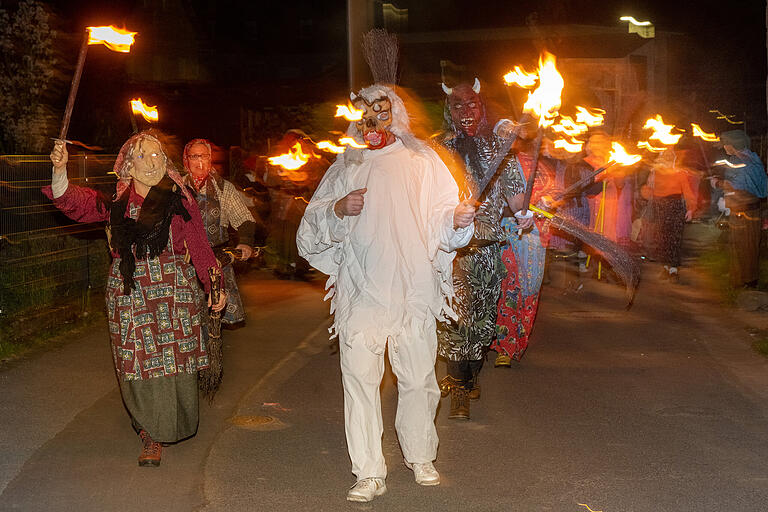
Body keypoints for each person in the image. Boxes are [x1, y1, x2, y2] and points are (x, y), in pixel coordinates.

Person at [297, 82, 476, 502]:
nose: (371, 121)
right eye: (364, 113)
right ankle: (368, 470)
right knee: (359, 379)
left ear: (394, 113)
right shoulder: (349, 163)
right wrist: (340, 208)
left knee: (417, 377)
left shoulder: (421, 159)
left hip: (412, 287)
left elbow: (440, 218)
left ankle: (419, 456)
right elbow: (311, 226)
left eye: (380, 111)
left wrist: (457, 216)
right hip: (361, 290)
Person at [43, 132, 226, 467]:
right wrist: (60, 171)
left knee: (176, 364)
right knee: (139, 363)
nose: (152, 162)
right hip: (131, 294)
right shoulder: (116, 203)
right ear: (128, 165)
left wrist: (215, 284)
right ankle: (149, 434)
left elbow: (199, 245)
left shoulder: (179, 199)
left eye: (157, 156)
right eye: (143, 156)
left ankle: (174, 421)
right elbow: (72, 202)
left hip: (175, 293)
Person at [435, 78, 527, 419]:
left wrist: (523, 213)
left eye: (471, 104)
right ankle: (458, 386)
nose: (466, 112)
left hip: (487, 248)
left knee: (482, 321)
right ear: (449, 111)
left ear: (481, 107)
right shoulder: (437, 149)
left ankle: (469, 374)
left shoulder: (497, 145)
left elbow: (516, 192)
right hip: (450, 249)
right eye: (458, 106)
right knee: (456, 315)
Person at [183, 138, 256, 325]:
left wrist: (245, 241)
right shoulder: (177, 189)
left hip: (217, 262)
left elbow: (245, 219)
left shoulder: (223, 188)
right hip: (185, 264)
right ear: (186, 160)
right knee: (188, 322)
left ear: (210, 160)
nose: (200, 161)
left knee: (214, 323)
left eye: (204, 156)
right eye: (194, 156)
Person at [711, 130, 767, 288]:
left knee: (747, 246)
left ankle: (749, 282)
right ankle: (739, 278)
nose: (725, 148)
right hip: (741, 211)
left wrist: (718, 183)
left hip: (747, 211)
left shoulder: (745, 162)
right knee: (738, 245)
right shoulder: (740, 158)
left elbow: (738, 184)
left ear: (734, 144)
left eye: (726, 144)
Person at [644, 149, 697, 282]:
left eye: (670, 156)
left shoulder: (680, 173)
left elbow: (688, 192)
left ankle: (673, 269)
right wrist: (649, 184)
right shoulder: (655, 172)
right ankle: (666, 267)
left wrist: (691, 209)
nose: (667, 158)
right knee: (662, 238)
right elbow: (648, 191)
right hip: (660, 207)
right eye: (665, 155)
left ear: (673, 158)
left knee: (675, 238)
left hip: (675, 207)